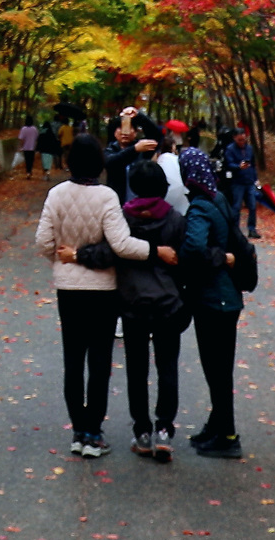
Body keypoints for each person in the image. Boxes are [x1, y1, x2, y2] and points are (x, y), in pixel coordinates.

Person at [35, 133, 152, 460]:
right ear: (100, 162)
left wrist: (65, 258)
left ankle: (77, 430)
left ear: (70, 161)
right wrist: (154, 251)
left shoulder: (56, 194)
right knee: (100, 362)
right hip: (103, 291)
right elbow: (122, 245)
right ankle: (93, 433)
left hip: (68, 291)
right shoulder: (107, 197)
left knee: (73, 360)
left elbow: (43, 243)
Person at [73, 159, 188, 462]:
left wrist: (77, 254)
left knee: (137, 370)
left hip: (132, 303)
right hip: (167, 302)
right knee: (167, 367)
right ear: (163, 186)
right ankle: (164, 430)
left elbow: (108, 252)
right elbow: (183, 262)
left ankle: (143, 432)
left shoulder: (123, 218)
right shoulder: (175, 219)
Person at [179, 146, 248, 458]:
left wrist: (219, 258)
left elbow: (194, 247)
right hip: (228, 298)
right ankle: (216, 426)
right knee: (220, 369)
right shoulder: (218, 198)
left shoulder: (199, 207)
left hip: (212, 300)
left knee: (216, 369)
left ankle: (228, 435)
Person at [224, 126, 260, 239]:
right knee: (236, 207)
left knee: (252, 206)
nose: (242, 142)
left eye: (244, 139)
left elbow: (253, 164)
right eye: (239, 140)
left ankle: (252, 229)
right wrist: (238, 167)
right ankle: (235, 230)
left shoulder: (249, 148)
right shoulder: (230, 149)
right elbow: (228, 164)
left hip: (249, 181)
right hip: (237, 182)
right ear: (234, 138)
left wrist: (256, 179)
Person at [105, 110, 143, 202]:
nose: (124, 132)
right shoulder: (109, 150)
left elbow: (155, 135)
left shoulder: (142, 149)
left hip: (138, 203)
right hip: (116, 202)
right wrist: (134, 150)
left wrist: (139, 115)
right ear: (114, 133)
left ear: (135, 132)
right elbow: (111, 162)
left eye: (129, 128)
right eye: (120, 128)